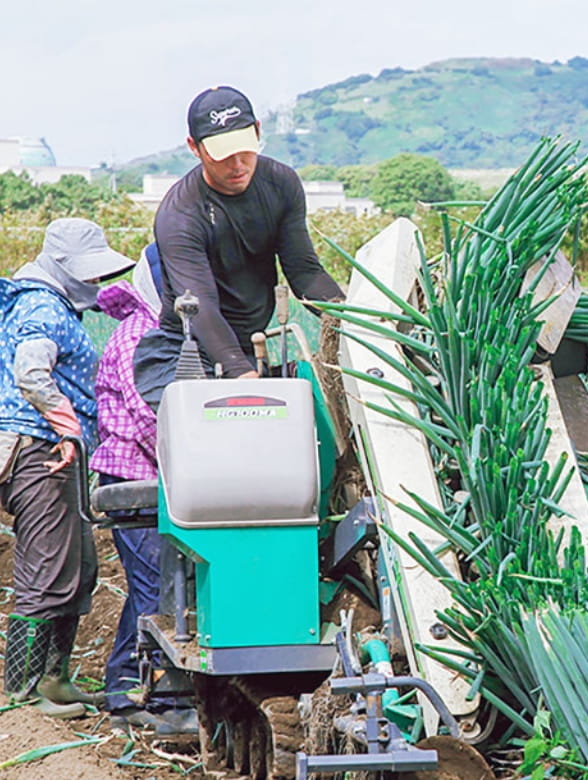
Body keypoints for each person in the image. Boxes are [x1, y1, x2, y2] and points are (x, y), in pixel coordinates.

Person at [0, 218, 135, 719]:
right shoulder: (40, 305)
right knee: (47, 567)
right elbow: (31, 372)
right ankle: (24, 689)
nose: (95, 284)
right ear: (59, 266)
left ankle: (56, 680)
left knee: (77, 566)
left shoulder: (49, 303)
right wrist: (68, 426)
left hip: (52, 447)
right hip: (41, 449)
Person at [135, 84, 343, 404]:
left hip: (246, 347)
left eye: (244, 149)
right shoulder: (180, 214)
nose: (237, 165)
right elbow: (200, 306)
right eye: (222, 154)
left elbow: (305, 274)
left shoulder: (281, 184)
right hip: (185, 350)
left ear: (258, 131)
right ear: (195, 147)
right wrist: (243, 375)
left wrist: (357, 326)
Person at [90, 244, 197, 735]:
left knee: (152, 585)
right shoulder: (141, 335)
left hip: (154, 478)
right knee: (159, 586)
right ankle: (161, 699)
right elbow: (151, 417)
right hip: (136, 477)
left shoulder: (160, 330)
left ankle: (125, 687)